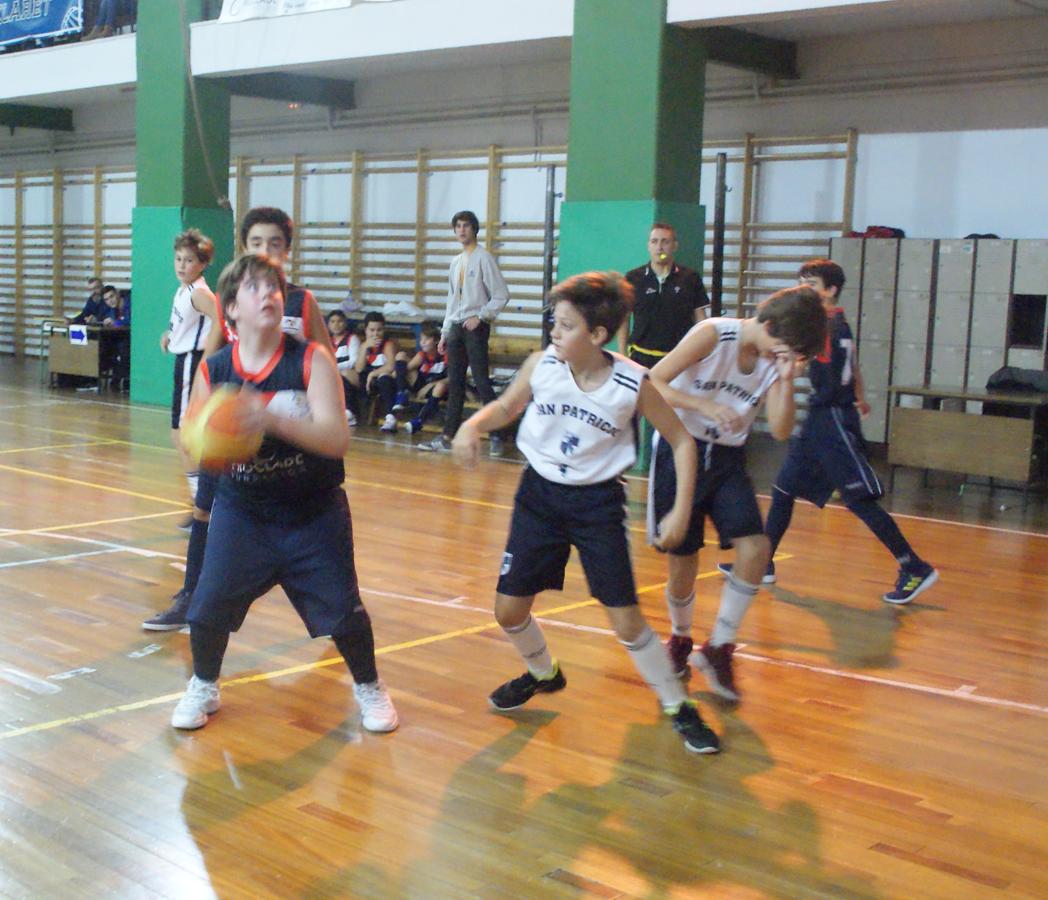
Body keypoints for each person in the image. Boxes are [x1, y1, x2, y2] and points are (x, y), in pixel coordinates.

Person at [452, 271, 720, 754]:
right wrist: (473, 424)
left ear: (597, 335)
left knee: (626, 621)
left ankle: (678, 705)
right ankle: (542, 673)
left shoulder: (631, 382)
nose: (554, 332)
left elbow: (681, 441)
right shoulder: (542, 364)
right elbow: (508, 407)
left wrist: (679, 511)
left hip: (596, 504)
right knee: (508, 611)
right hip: (538, 496)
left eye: (566, 325)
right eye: (555, 322)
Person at [169, 253, 398, 735]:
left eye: (274, 286)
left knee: (344, 610)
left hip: (312, 512)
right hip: (243, 511)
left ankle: (370, 687)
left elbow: (337, 439)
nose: (269, 294)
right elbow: (192, 442)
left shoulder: (310, 358)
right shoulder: (214, 370)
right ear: (231, 308)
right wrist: (214, 440)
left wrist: (267, 419)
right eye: (254, 288)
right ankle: (204, 683)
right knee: (207, 606)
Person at [144, 209, 330, 630]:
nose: (267, 251)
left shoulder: (300, 301)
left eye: (276, 244)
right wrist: (197, 407)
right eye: (257, 243)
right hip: (231, 426)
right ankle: (189, 598)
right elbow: (212, 354)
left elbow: (325, 360)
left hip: (287, 435)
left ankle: (333, 612)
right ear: (245, 248)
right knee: (205, 512)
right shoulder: (234, 297)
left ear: (288, 249)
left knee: (307, 529)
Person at [720, 259, 939, 605]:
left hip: (833, 421)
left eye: (811, 283)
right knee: (783, 488)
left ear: (830, 289)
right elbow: (850, 364)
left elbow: (810, 360)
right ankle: (763, 563)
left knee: (858, 500)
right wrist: (861, 395)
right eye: (801, 283)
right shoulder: (834, 323)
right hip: (819, 419)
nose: (804, 289)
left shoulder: (829, 328)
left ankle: (913, 566)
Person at [647, 286, 826, 703]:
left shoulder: (776, 360)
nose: (787, 358)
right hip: (682, 449)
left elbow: (781, 430)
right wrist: (702, 406)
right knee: (683, 562)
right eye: (785, 350)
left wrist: (784, 379)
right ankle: (679, 637)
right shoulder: (714, 334)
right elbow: (653, 381)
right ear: (766, 326)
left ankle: (719, 647)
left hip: (728, 458)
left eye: (795, 356)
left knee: (755, 548)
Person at [418, 210, 509, 455]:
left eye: (466, 226)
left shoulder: (484, 258)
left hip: (475, 328)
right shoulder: (455, 262)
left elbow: (501, 294)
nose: (461, 230)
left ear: (474, 229)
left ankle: (497, 435)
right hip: (457, 327)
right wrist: (445, 332)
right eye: (457, 226)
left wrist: (481, 316)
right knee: (455, 382)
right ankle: (448, 436)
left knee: (481, 381)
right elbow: (452, 301)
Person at [159, 229, 219, 529]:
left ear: (203, 263)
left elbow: (220, 319)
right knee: (180, 436)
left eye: (190, 260)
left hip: (193, 363)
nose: (182, 265)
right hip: (183, 359)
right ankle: (201, 501)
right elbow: (189, 323)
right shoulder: (184, 290)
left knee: (185, 437)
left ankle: (203, 505)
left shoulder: (200, 292)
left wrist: (207, 357)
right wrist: (171, 334)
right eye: (179, 259)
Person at [616, 223, 710, 369]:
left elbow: (701, 320)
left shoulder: (690, 277)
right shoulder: (633, 278)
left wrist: (703, 352)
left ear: (675, 246)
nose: (659, 247)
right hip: (641, 359)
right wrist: (622, 357)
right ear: (648, 246)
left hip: (680, 359)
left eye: (665, 241)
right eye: (654, 241)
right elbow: (624, 319)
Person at [393, 321, 449, 435]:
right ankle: (401, 394)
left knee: (440, 386)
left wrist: (430, 385)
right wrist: (397, 372)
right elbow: (404, 370)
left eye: (426, 339)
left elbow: (453, 378)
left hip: (440, 388)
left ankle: (419, 421)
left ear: (437, 341)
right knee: (401, 355)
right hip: (422, 384)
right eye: (421, 339)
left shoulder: (445, 355)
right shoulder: (422, 355)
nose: (422, 342)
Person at [350, 312, 399, 432]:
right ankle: (349, 412)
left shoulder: (388, 344)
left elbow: (391, 366)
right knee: (347, 378)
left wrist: (373, 374)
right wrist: (365, 347)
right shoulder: (364, 346)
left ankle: (390, 417)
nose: (375, 334)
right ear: (365, 330)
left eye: (379, 330)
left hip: (384, 380)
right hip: (367, 383)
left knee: (384, 378)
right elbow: (359, 368)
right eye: (372, 330)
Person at [327, 309, 361, 426]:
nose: (336, 324)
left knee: (342, 375)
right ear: (328, 324)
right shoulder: (325, 340)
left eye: (340, 321)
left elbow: (354, 361)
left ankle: (349, 411)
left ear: (345, 323)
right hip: (330, 374)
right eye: (332, 321)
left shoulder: (352, 339)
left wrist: (335, 367)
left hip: (348, 374)